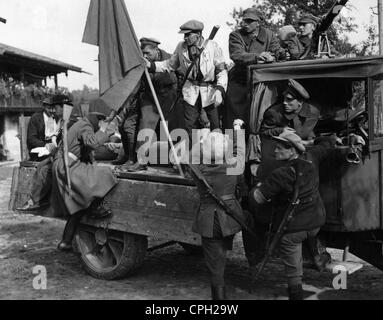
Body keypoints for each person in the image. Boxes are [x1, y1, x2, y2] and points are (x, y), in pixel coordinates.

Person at [248, 130, 364, 299]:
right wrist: (323, 139)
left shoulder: (280, 175)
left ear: (292, 150)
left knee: (289, 246)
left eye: (279, 148)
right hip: (317, 221)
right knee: (304, 233)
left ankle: (295, 292)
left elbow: (257, 199)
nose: (274, 151)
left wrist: (256, 188)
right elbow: (326, 142)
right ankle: (317, 257)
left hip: (297, 227)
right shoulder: (312, 156)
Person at [174, 120, 246, 300]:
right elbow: (240, 150)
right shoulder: (233, 166)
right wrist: (237, 130)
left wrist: (202, 139)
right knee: (221, 251)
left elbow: (188, 157)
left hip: (208, 221)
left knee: (215, 263)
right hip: (231, 219)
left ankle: (219, 300)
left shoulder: (197, 168)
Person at [52, 104, 118, 251]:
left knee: (79, 208)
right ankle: (94, 208)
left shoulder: (82, 124)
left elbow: (88, 149)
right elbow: (93, 143)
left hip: (65, 164)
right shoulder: (85, 125)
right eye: (101, 121)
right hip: (67, 166)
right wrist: (103, 130)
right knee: (104, 173)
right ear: (96, 118)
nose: (101, 125)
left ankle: (65, 242)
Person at [148, 20, 228, 142]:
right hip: (191, 90)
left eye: (188, 35)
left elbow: (221, 71)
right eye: (184, 35)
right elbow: (170, 65)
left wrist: (220, 89)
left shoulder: (213, 46)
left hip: (210, 90)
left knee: (214, 124)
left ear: (199, 34)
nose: (185, 38)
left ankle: (216, 155)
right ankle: (192, 154)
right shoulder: (181, 47)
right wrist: (151, 65)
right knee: (189, 125)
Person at [120, 37, 179, 172]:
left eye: (148, 53)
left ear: (156, 50)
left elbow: (181, 76)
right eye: (143, 53)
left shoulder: (171, 58)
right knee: (145, 127)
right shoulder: (141, 62)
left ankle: (177, 161)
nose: (145, 56)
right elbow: (135, 84)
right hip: (149, 97)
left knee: (172, 128)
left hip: (169, 95)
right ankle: (141, 161)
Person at [224, 7, 286, 130]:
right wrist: (257, 57)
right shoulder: (236, 35)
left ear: (258, 22)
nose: (245, 24)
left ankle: (254, 146)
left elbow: (276, 50)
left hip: (261, 83)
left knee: (259, 118)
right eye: (244, 21)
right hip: (240, 82)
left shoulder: (268, 34)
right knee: (235, 120)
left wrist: (281, 54)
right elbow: (236, 55)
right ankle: (235, 146)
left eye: (249, 21)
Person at [18, 94, 69, 211]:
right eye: (48, 108)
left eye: (53, 108)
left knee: (52, 164)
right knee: (47, 167)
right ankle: (39, 199)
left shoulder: (58, 118)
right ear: (44, 106)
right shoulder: (36, 118)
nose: (52, 111)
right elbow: (31, 139)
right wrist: (44, 145)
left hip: (54, 150)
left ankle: (45, 198)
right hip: (39, 151)